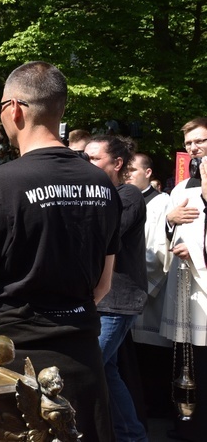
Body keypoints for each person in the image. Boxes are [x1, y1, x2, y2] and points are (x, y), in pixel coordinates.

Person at [0, 61, 120, 441]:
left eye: (1, 108)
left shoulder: (0, 185)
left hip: (16, 372)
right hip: (83, 361)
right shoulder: (101, 184)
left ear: (15, 109)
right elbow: (103, 285)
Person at [85, 134, 148, 441]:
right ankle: (131, 436)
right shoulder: (100, 195)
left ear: (117, 163)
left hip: (118, 300)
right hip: (102, 300)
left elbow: (105, 235)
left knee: (90, 368)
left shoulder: (129, 195)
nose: (87, 164)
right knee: (107, 372)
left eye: (94, 158)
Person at [160, 117, 207, 441]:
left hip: (204, 284)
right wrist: (168, 220)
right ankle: (186, 419)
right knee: (185, 358)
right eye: (190, 143)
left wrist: (198, 254)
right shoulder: (179, 188)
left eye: (200, 141)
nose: (194, 148)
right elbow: (170, 232)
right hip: (184, 285)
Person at [127, 152, 173, 418]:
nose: (128, 174)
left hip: (151, 291)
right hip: (130, 288)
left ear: (148, 173)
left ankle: (157, 407)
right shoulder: (122, 198)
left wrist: (136, 279)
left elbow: (159, 251)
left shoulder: (161, 203)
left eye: (134, 169)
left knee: (153, 356)